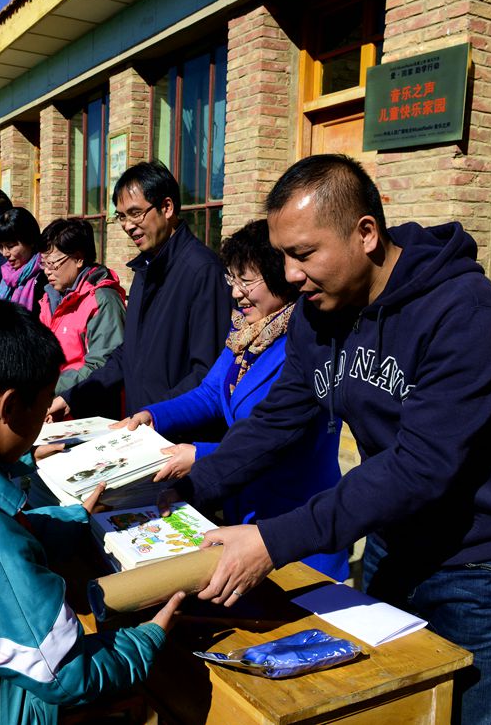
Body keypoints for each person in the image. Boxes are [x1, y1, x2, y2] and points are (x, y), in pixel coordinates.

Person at [176, 155, 491, 725]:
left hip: (480, 566)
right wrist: (188, 491)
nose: (290, 275)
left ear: (366, 233)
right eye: (282, 256)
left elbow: (419, 467)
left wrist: (273, 541)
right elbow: (276, 421)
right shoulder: (317, 314)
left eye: (304, 254)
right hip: (390, 545)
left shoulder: (465, 312)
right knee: (389, 708)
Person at [0, 299, 184, 723]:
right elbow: (66, 672)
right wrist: (146, 639)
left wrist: (71, 520)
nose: (44, 422)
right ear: (8, 408)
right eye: (43, 410)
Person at [122, 221, 348, 581]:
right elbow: (212, 393)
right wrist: (153, 415)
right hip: (244, 507)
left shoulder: (305, 342)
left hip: (296, 516)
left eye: (246, 281)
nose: (236, 293)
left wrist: (200, 455)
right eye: (232, 279)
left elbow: (281, 440)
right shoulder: (246, 333)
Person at [48, 161, 233, 421]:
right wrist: (73, 398)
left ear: (166, 207)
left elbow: (208, 373)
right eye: (122, 216)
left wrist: (157, 415)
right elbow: (129, 354)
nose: (128, 225)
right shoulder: (146, 268)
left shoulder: (202, 271)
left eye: (136, 213)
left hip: (178, 432)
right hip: (141, 427)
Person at [38, 217, 126, 395]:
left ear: (78, 259)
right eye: (43, 263)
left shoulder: (102, 301)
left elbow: (103, 366)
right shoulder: (50, 298)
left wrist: (48, 389)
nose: (47, 270)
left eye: (52, 263)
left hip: (83, 403)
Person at [0, 207, 46, 314]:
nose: (5, 253)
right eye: (1, 247)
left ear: (30, 241)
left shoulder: (45, 277)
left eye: (10, 246)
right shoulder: (5, 274)